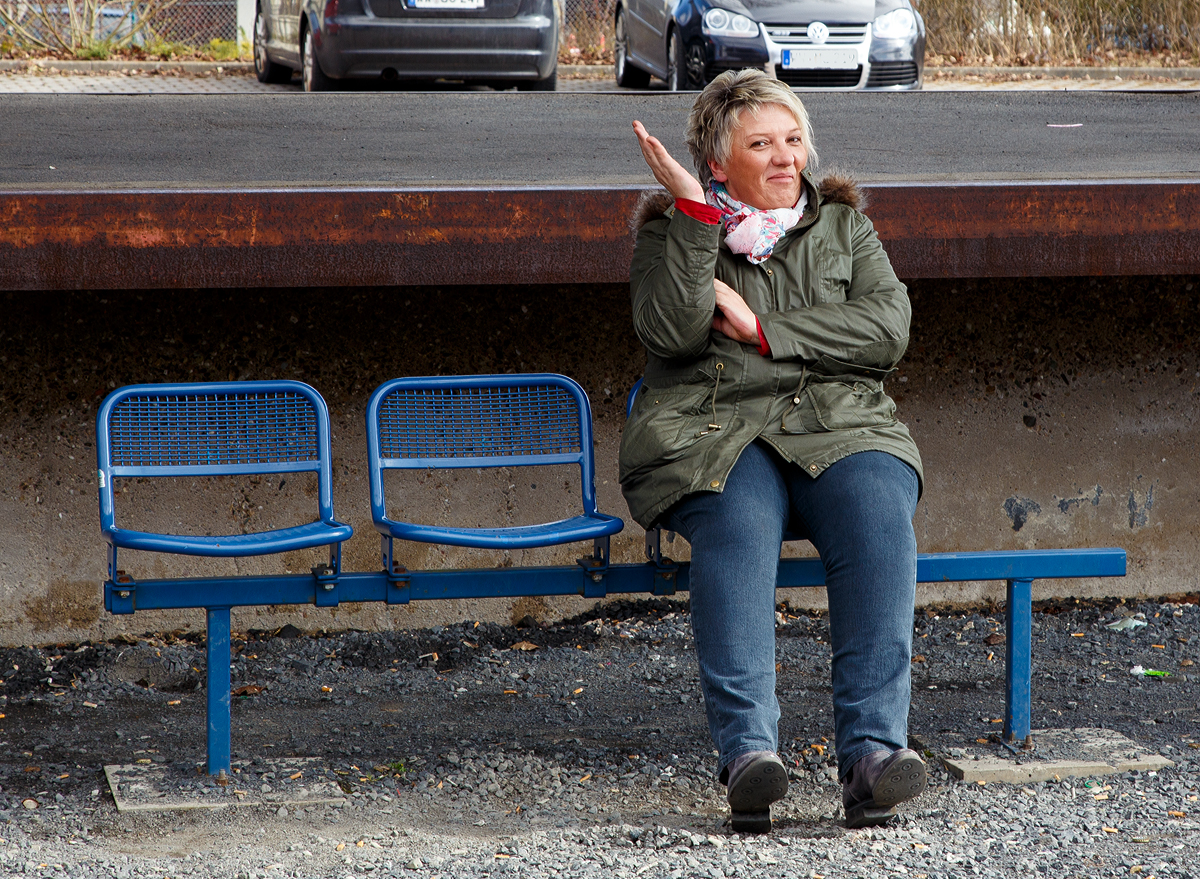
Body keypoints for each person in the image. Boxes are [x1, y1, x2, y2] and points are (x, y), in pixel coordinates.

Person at [619, 69, 926, 833]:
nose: (787, 157)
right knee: (737, 525)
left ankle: (872, 757)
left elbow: (887, 330)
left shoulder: (844, 228)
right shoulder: (672, 231)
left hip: (839, 425)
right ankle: (750, 757)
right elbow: (672, 332)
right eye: (762, 143)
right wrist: (695, 215)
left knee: (880, 517)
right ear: (718, 163)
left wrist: (765, 331)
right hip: (718, 425)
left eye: (794, 139)